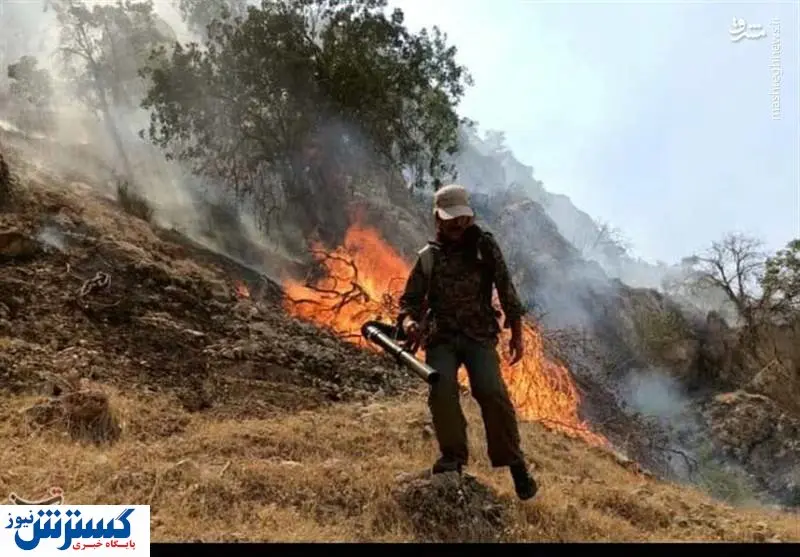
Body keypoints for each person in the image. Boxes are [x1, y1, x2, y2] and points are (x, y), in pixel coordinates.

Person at [398, 183, 538, 500]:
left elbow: (506, 287)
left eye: (463, 218)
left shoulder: (484, 246)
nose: (459, 225)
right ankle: (453, 459)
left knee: (491, 391)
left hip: (478, 334)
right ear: (438, 219)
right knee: (441, 390)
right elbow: (409, 302)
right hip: (442, 337)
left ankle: (515, 465)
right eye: (451, 220)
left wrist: (516, 332)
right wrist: (408, 323)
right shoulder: (428, 258)